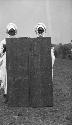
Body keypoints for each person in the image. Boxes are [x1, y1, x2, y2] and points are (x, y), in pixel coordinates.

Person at [0, 23, 17, 102]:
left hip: (15, 61)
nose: (11, 33)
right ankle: (6, 94)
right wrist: (4, 49)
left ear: (15, 32)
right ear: (8, 32)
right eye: (10, 31)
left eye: (13, 31)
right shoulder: (3, 41)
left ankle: (14, 95)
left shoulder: (17, 41)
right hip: (5, 61)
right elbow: (0, 53)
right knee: (5, 77)